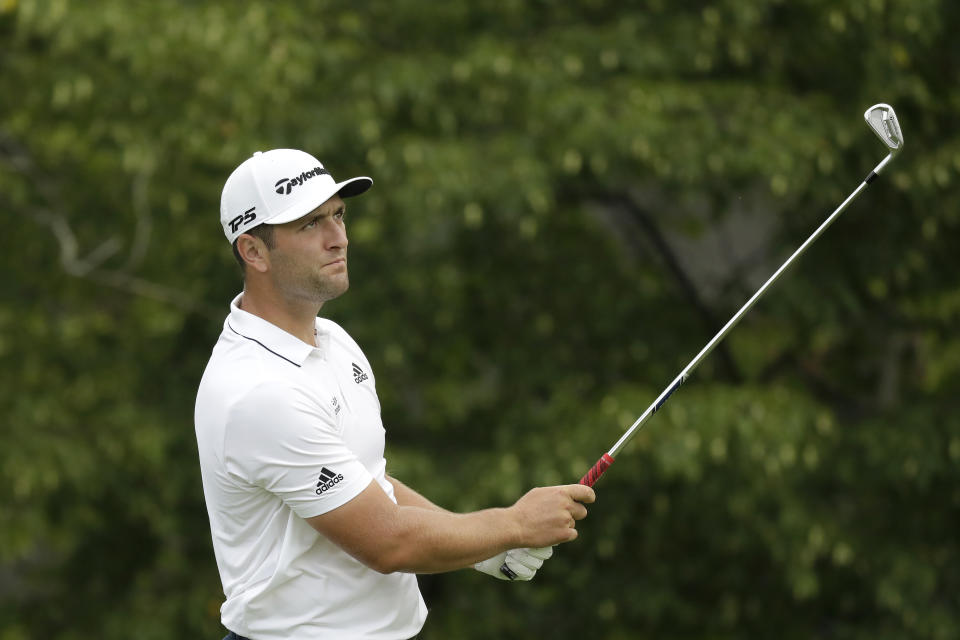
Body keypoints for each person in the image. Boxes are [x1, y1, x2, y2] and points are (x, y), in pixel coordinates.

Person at [194, 149, 595, 640]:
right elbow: (388, 543)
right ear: (253, 251)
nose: (338, 238)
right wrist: (512, 525)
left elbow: (368, 483)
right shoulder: (259, 393)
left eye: (338, 215)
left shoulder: (335, 342)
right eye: (310, 225)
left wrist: (482, 543)